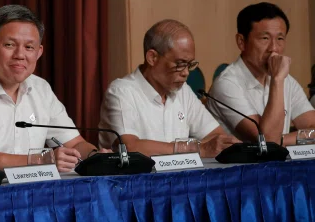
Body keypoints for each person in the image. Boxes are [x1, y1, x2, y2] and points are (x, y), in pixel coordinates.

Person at [0, 5, 101, 172]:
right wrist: (41, 160)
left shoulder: (41, 89)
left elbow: (75, 144)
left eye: (29, 47)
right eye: (10, 45)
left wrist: (99, 158)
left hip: (36, 192)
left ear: (39, 52)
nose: (20, 55)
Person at [99, 19, 236, 157]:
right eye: (180, 63)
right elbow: (129, 147)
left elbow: (217, 137)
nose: (186, 72)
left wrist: (206, 147)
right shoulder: (122, 91)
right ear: (152, 58)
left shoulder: (183, 91)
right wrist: (196, 149)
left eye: (189, 65)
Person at [208, 2, 315, 144]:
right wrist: (277, 80)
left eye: (280, 39)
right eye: (265, 38)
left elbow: (312, 127)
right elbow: (267, 141)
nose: (274, 48)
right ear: (241, 42)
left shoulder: (286, 80)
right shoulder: (227, 84)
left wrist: (281, 140)